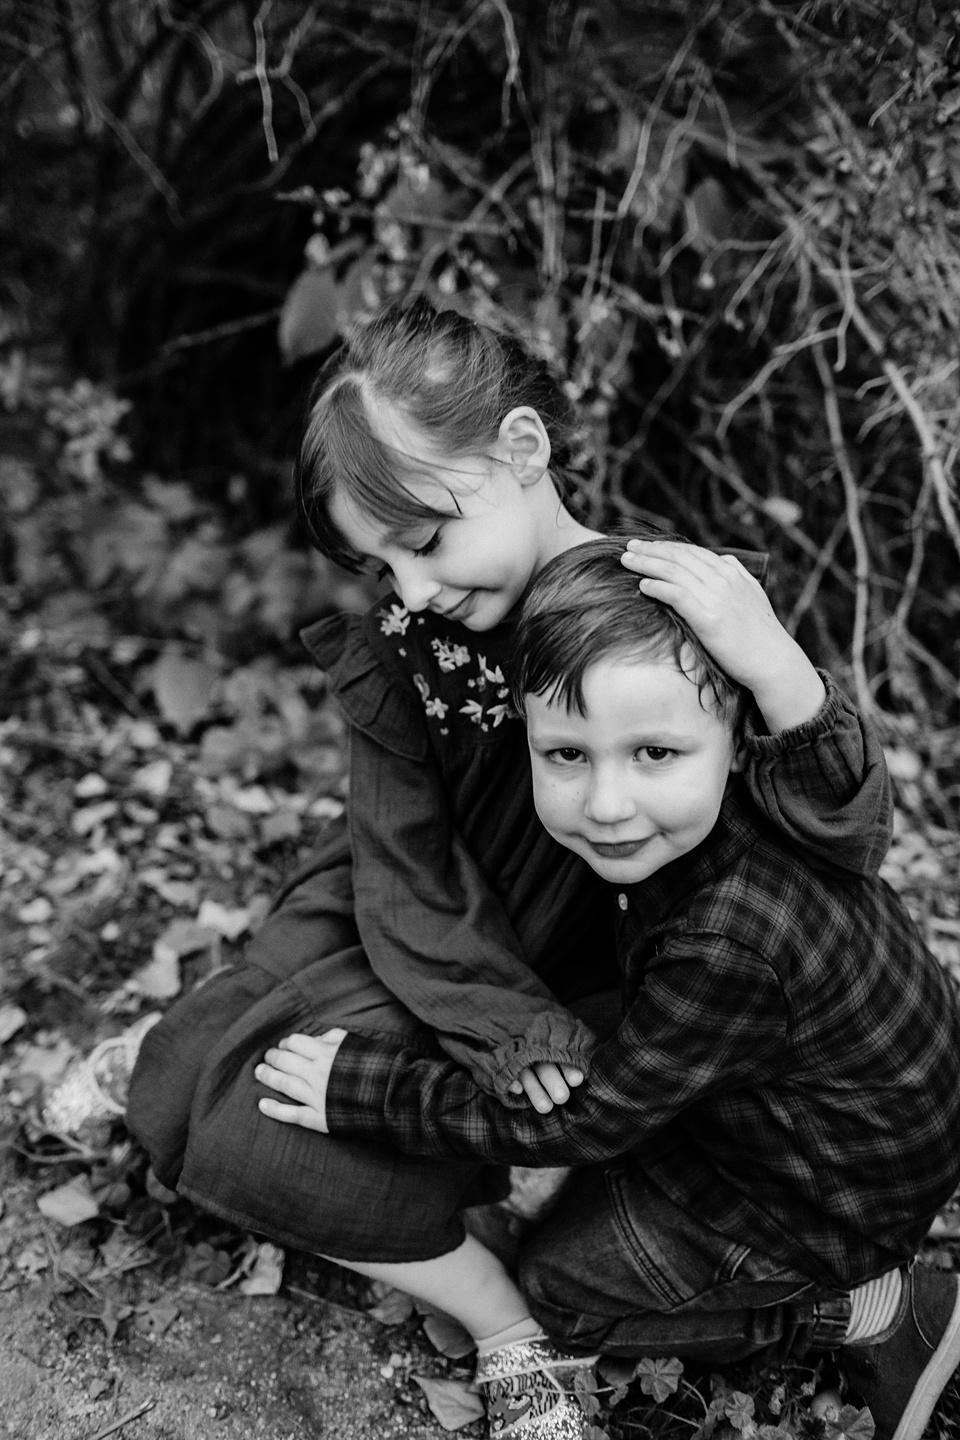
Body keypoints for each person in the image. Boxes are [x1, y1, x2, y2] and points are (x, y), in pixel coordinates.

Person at [127, 301, 893, 1439]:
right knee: (233, 1088)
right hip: (434, 933)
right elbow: (398, 855)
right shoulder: (409, 649)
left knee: (307, 1108)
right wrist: (497, 1018)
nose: (411, 590)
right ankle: (496, 1317)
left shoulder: (669, 610)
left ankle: (522, 1306)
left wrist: (781, 673)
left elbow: (849, 845)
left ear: (522, 452)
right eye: (376, 562)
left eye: (423, 540)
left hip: (613, 959)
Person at [255, 535, 960, 1440]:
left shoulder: (727, 938)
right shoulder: (762, 801)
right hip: (851, 1105)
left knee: (561, 1286)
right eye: (567, 755)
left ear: (740, 738)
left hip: (821, 1197)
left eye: (655, 753)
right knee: (589, 1081)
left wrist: (367, 1090)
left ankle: (870, 1306)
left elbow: (585, 1122)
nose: (608, 803)